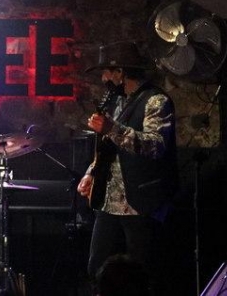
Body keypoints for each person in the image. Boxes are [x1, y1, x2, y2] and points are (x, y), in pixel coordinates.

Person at [77, 41, 178, 291]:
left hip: (140, 200)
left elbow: (156, 145)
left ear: (121, 73)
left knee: (140, 273)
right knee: (96, 268)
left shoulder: (156, 101)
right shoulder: (115, 101)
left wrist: (112, 128)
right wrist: (91, 173)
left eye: (107, 73)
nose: (103, 78)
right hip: (109, 200)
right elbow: (106, 148)